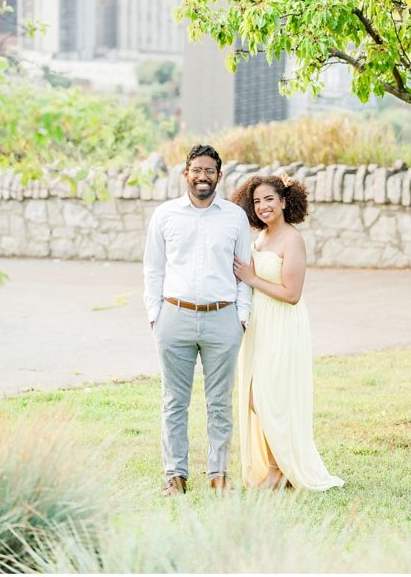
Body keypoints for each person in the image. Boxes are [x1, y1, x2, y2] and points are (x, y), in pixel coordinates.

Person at [144, 144, 252, 495]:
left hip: (222, 319)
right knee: (174, 401)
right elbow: (153, 267)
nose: (202, 176)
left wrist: (242, 316)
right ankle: (175, 477)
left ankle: (219, 475)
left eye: (210, 171)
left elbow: (243, 270)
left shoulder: (234, 217)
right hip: (174, 316)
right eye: (197, 170)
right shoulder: (165, 215)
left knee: (219, 401)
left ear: (219, 176)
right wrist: (155, 316)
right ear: (185, 174)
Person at [230, 174, 344, 491]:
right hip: (259, 326)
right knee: (255, 397)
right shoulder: (260, 238)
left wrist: (252, 278)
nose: (263, 206)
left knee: (270, 397)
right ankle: (274, 466)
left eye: (269, 199)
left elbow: (292, 294)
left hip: (282, 322)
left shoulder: (292, 240)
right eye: (256, 201)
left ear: (283, 201)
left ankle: (279, 470)